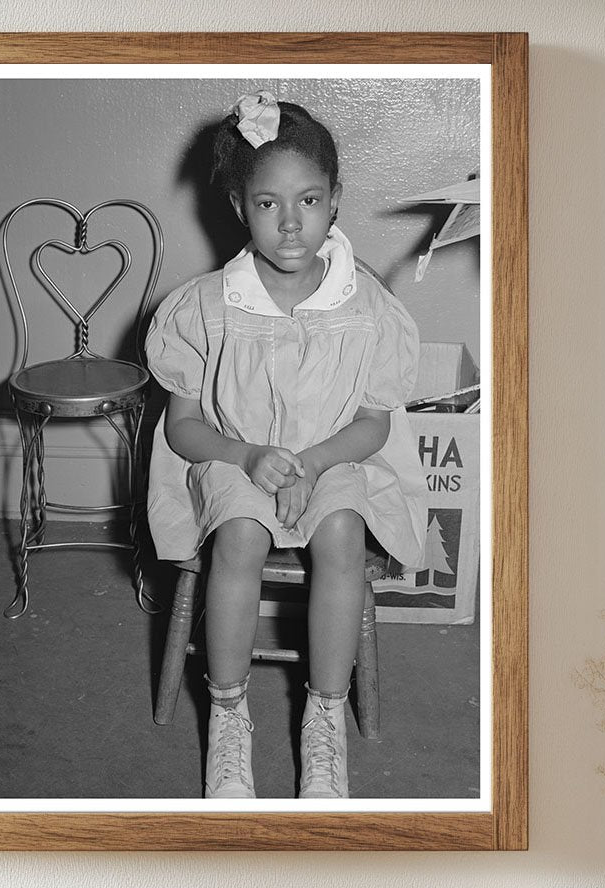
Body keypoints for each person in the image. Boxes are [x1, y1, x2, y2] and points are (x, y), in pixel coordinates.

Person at [146, 91, 428, 800]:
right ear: (241, 207)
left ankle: (323, 718)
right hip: (232, 455)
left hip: (334, 455)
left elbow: (374, 425)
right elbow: (184, 428)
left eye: (308, 200)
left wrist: (314, 463)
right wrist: (248, 458)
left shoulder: (367, 309)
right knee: (239, 535)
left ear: (335, 201)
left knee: (339, 530)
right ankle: (230, 711)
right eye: (268, 204)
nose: (291, 221)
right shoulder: (204, 308)